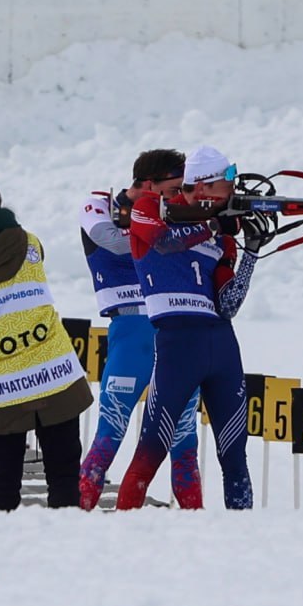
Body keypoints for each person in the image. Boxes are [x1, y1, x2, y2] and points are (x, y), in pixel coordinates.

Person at [116, 145, 275, 510]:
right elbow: (166, 243)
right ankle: (120, 537)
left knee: (235, 457)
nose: (233, 189)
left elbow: (229, 304)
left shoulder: (220, 236)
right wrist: (214, 224)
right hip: (177, 344)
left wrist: (250, 250)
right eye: (227, 181)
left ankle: (242, 541)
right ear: (202, 187)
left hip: (221, 344)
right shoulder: (150, 208)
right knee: (150, 451)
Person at [0, 176, 93, 510]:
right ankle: (71, 548)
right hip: (52, 372)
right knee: (65, 474)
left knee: (1, 479)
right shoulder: (30, 245)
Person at [78, 149, 202, 510]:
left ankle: (199, 528)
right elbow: (114, 240)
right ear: (149, 184)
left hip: (174, 333)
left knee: (185, 446)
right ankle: (73, 521)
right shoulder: (98, 205)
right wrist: (165, 225)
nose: (180, 195)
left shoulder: (180, 212)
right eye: (174, 187)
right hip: (132, 334)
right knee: (108, 436)